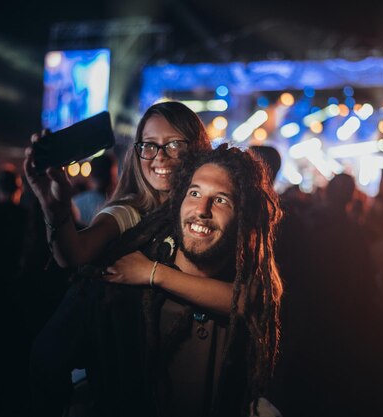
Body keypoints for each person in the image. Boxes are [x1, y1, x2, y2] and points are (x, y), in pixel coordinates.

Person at [24, 101, 212, 416]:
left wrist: (152, 272)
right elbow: (75, 253)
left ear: (198, 148)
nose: (159, 157)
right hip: (132, 389)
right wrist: (52, 206)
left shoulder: (208, 212)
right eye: (149, 146)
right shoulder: (129, 211)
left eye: (173, 145)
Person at [97, 144, 283, 416]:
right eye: (194, 193)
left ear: (243, 215)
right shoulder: (127, 284)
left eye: (221, 199)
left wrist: (154, 273)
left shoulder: (248, 278)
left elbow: (248, 301)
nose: (202, 209)